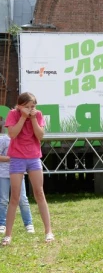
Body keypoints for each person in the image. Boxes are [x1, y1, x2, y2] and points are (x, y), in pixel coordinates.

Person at [1, 92, 54, 246]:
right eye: (27, 107)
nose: (31, 109)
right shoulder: (13, 114)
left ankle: (48, 231)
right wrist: (23, 117)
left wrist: (32, 118)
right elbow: (12, 134)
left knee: (39, 193)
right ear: (19, 106)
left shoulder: (37, 115)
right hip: (17, 158)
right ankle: (8, 235)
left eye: (33, 106)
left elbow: (40, 136)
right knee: (15, 197)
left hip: (33, 157)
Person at [0, 116, 35, 235]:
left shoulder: (22, 139)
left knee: (23, 199)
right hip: (3, 174)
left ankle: (29, 223)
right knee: (4, 200)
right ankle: (2, 224)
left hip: (18, 172)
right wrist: (12, 158)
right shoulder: (3, 140)